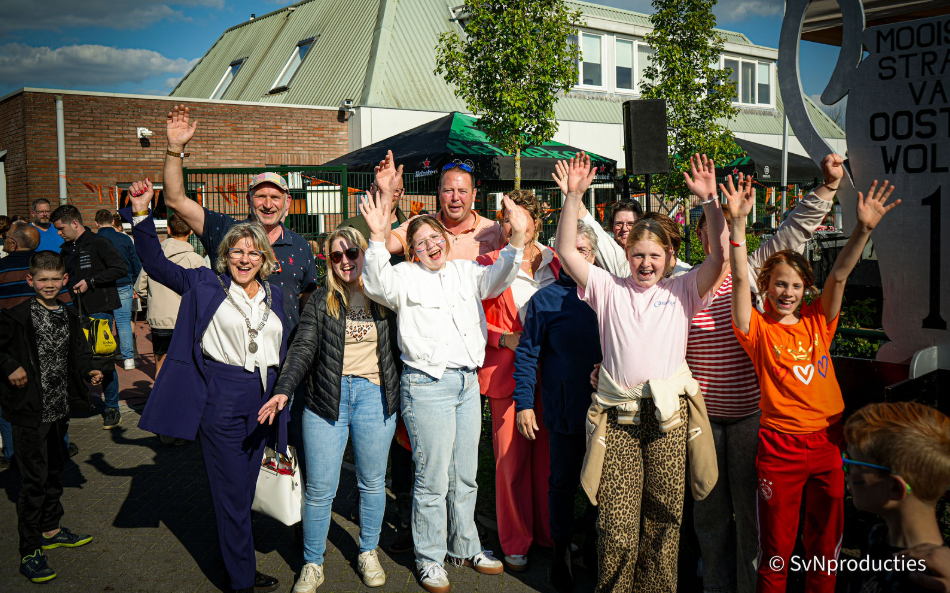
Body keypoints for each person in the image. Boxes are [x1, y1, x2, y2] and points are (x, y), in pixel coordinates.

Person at [556, 152, 728, 593]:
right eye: (637, 255)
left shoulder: (684, 288)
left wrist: (710, 201)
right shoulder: (606, 287)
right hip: (619, 421)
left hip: (668, 420)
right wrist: (573, 197)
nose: (646, 263)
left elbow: (720, 258)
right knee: (616, 525)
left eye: (654, 255)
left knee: (664, 522)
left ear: (670, 256)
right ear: (625, 255)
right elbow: (565, 251)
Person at [360, 168, 527, 593]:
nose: (431, 245)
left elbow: (501, 275)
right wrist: (377, 238)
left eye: (435, 238)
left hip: (467, 384)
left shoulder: (466, 272)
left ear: (446, 241)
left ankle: (465, 546)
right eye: (420, 243)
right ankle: (430, 558)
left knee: (465, 474)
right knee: (432, 480)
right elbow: (375, 283)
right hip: (427, 386)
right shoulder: (403, 277)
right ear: (412, 252)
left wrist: (518, 240)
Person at [729, 177, 900, 593]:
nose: (787, 292)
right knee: (776, 552)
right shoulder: (756, 329)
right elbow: (738, 281)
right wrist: (737, 226)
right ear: (766, 287)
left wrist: (863, 229)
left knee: (825, 550)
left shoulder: (817, 321)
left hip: (828, 444)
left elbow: (839, 276)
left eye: (795, 285)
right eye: (779, 283)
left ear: (805, 288)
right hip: (779, 448)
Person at [125, 179, 289, 593]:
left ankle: (238, 562)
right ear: (225, 255)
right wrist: (143, 212)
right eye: (237, 251)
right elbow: (156, 264)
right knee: (231, 493)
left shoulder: (275, 295)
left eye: (253, 252)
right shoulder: (205, 284)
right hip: (223, 397)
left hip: (265, 399)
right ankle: (241, 578)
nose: (245, 258)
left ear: (265, 258)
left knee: (246, 488)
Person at [687, 156, 838, 593]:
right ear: (700, 237)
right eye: (710, 230)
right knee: (710, 513)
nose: (719, 236)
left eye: (726, 229)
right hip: (703, 419)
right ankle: (716, 586)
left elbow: (796, 229)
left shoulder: (753, 271)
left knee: (752, 516)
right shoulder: (680, 282)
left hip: (752, 417)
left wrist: (828, 187)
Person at [272, 226, 401, 593]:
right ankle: (312, 563)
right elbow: (303, 347)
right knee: (319, 489)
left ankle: (368, 551)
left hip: (375, 395)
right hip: (327, 397)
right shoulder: (320, 300)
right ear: (329, 262)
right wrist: (284, 389)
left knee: (372, 482)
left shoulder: (385, 294)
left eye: (352, 253)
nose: (345, 261)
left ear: (364, 253)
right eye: (336, 256)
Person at [159, 107, 318, 330]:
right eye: (260, 196)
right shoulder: (225, 230)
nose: (268, 204)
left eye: (275, 197)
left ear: (287, 202)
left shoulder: (300, 246)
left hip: (285, 349)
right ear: (248, 199)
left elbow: (307, 301)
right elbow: (175, 200)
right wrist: (175, 148)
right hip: (230, 349)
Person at [0, 250, 103, 583]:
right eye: (42, 279)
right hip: (29, 412)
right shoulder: (16, 316)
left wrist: (88, 371)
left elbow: (80, 353)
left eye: (54, 279)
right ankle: (30, 551)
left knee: (55, 470)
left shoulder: (69, 314)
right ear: (30, 280)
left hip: (59, 409)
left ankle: (51, 529)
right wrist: (10, 365)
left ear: (65, 280)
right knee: (34, 481)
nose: (48, 285)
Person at [512, 221, 602, 593]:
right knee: (562, 482)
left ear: (593, 255)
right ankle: (560, 551)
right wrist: (524, 404)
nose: (575, 257)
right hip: (564, 410)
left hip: (607, 411)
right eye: (570, 250)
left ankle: (595, 546)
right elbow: (527, 354)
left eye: (582, 250)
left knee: (603, 485)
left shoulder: (611, 292)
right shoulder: (544, 300)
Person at [476, 189, 560, 572]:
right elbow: (471, 317)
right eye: (507, 219)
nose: (514, 226)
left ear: (537, 222)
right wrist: (501, 338)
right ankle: (514, 539)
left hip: (551, 373)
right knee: (511, 463)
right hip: (507, 375)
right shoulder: (487, 263)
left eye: (521, 218)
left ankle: (547, 533)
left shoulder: (557, 263)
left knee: (547, 461)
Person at [843, 402, 950, 593]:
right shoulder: (878, 535)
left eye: (853, 463)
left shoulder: (927, 580)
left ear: (894, 488)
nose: (846, 470)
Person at [51, 204, 127, 429]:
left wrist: (91, 282)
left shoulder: (99, 243)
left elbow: (120, 269)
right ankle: (83, 400)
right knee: (78, 358)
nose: (59, 233)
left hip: (99, 310)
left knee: (103, 359)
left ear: (75, 223)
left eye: (61, 228)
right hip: (75, 310)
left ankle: (112, 408)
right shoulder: (66, 249)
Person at [385, 154, 506, 260]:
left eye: (462, 191)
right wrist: (386, 194)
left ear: (474, 195)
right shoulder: (420, 225)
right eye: (448, 191)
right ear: (439, 193)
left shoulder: (493, 230)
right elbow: (386, 245)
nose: (455, 197)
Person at [133, 213, 207, 379]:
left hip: (159, 318)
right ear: (191, 231)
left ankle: (159, 394)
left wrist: (153, 298)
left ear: (168, 229)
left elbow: (140, 287)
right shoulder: (196, 260)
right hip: (186, 319)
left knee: (160, 366)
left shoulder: (154, 259)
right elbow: (205, 292)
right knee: (187, 365)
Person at [95, 209, 143, 371]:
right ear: (112, 222)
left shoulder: (94, 240)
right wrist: (136, 284)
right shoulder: (124, 238)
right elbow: (135, 262)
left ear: (96, 223)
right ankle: (128, 358)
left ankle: (107, 354)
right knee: (123, 322)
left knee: (104, 320)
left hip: (102, 285)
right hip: (124, 283)